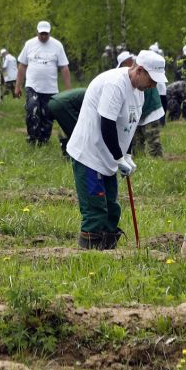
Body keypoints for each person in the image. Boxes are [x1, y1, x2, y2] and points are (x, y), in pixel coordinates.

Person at [66, 50, 167, 250]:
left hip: (109, 155)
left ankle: (108, 249)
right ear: (139, 70)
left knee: (112, 208)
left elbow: (128, 126)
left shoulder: (139, 92)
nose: (154, 85)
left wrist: (127, 155)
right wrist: (119, 157)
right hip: (90, 153)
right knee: (95, 207)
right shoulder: (115, 84)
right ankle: (90, 254)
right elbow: (107, 123)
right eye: (152, 79)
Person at [15, 20, 71, 145]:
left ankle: (44, 139)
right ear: (37, 32)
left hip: (50, 88)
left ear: (49, 33)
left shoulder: (57, 45)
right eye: (41, 34)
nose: (44, 36)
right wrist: (17, 86)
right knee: (32, 110)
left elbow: (64, 68)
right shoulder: (29, 44)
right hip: (32, 86)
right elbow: (22, 66)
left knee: (47, 115)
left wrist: (68, 90)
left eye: (46, 34)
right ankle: (32, 137)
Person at [49, 88, 87, 156]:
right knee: (77, 132)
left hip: (53, 101)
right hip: (62, 104)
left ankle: (67, 152)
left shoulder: (90, 91)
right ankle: (72, 155)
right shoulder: (97, 98)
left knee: (66, 128)